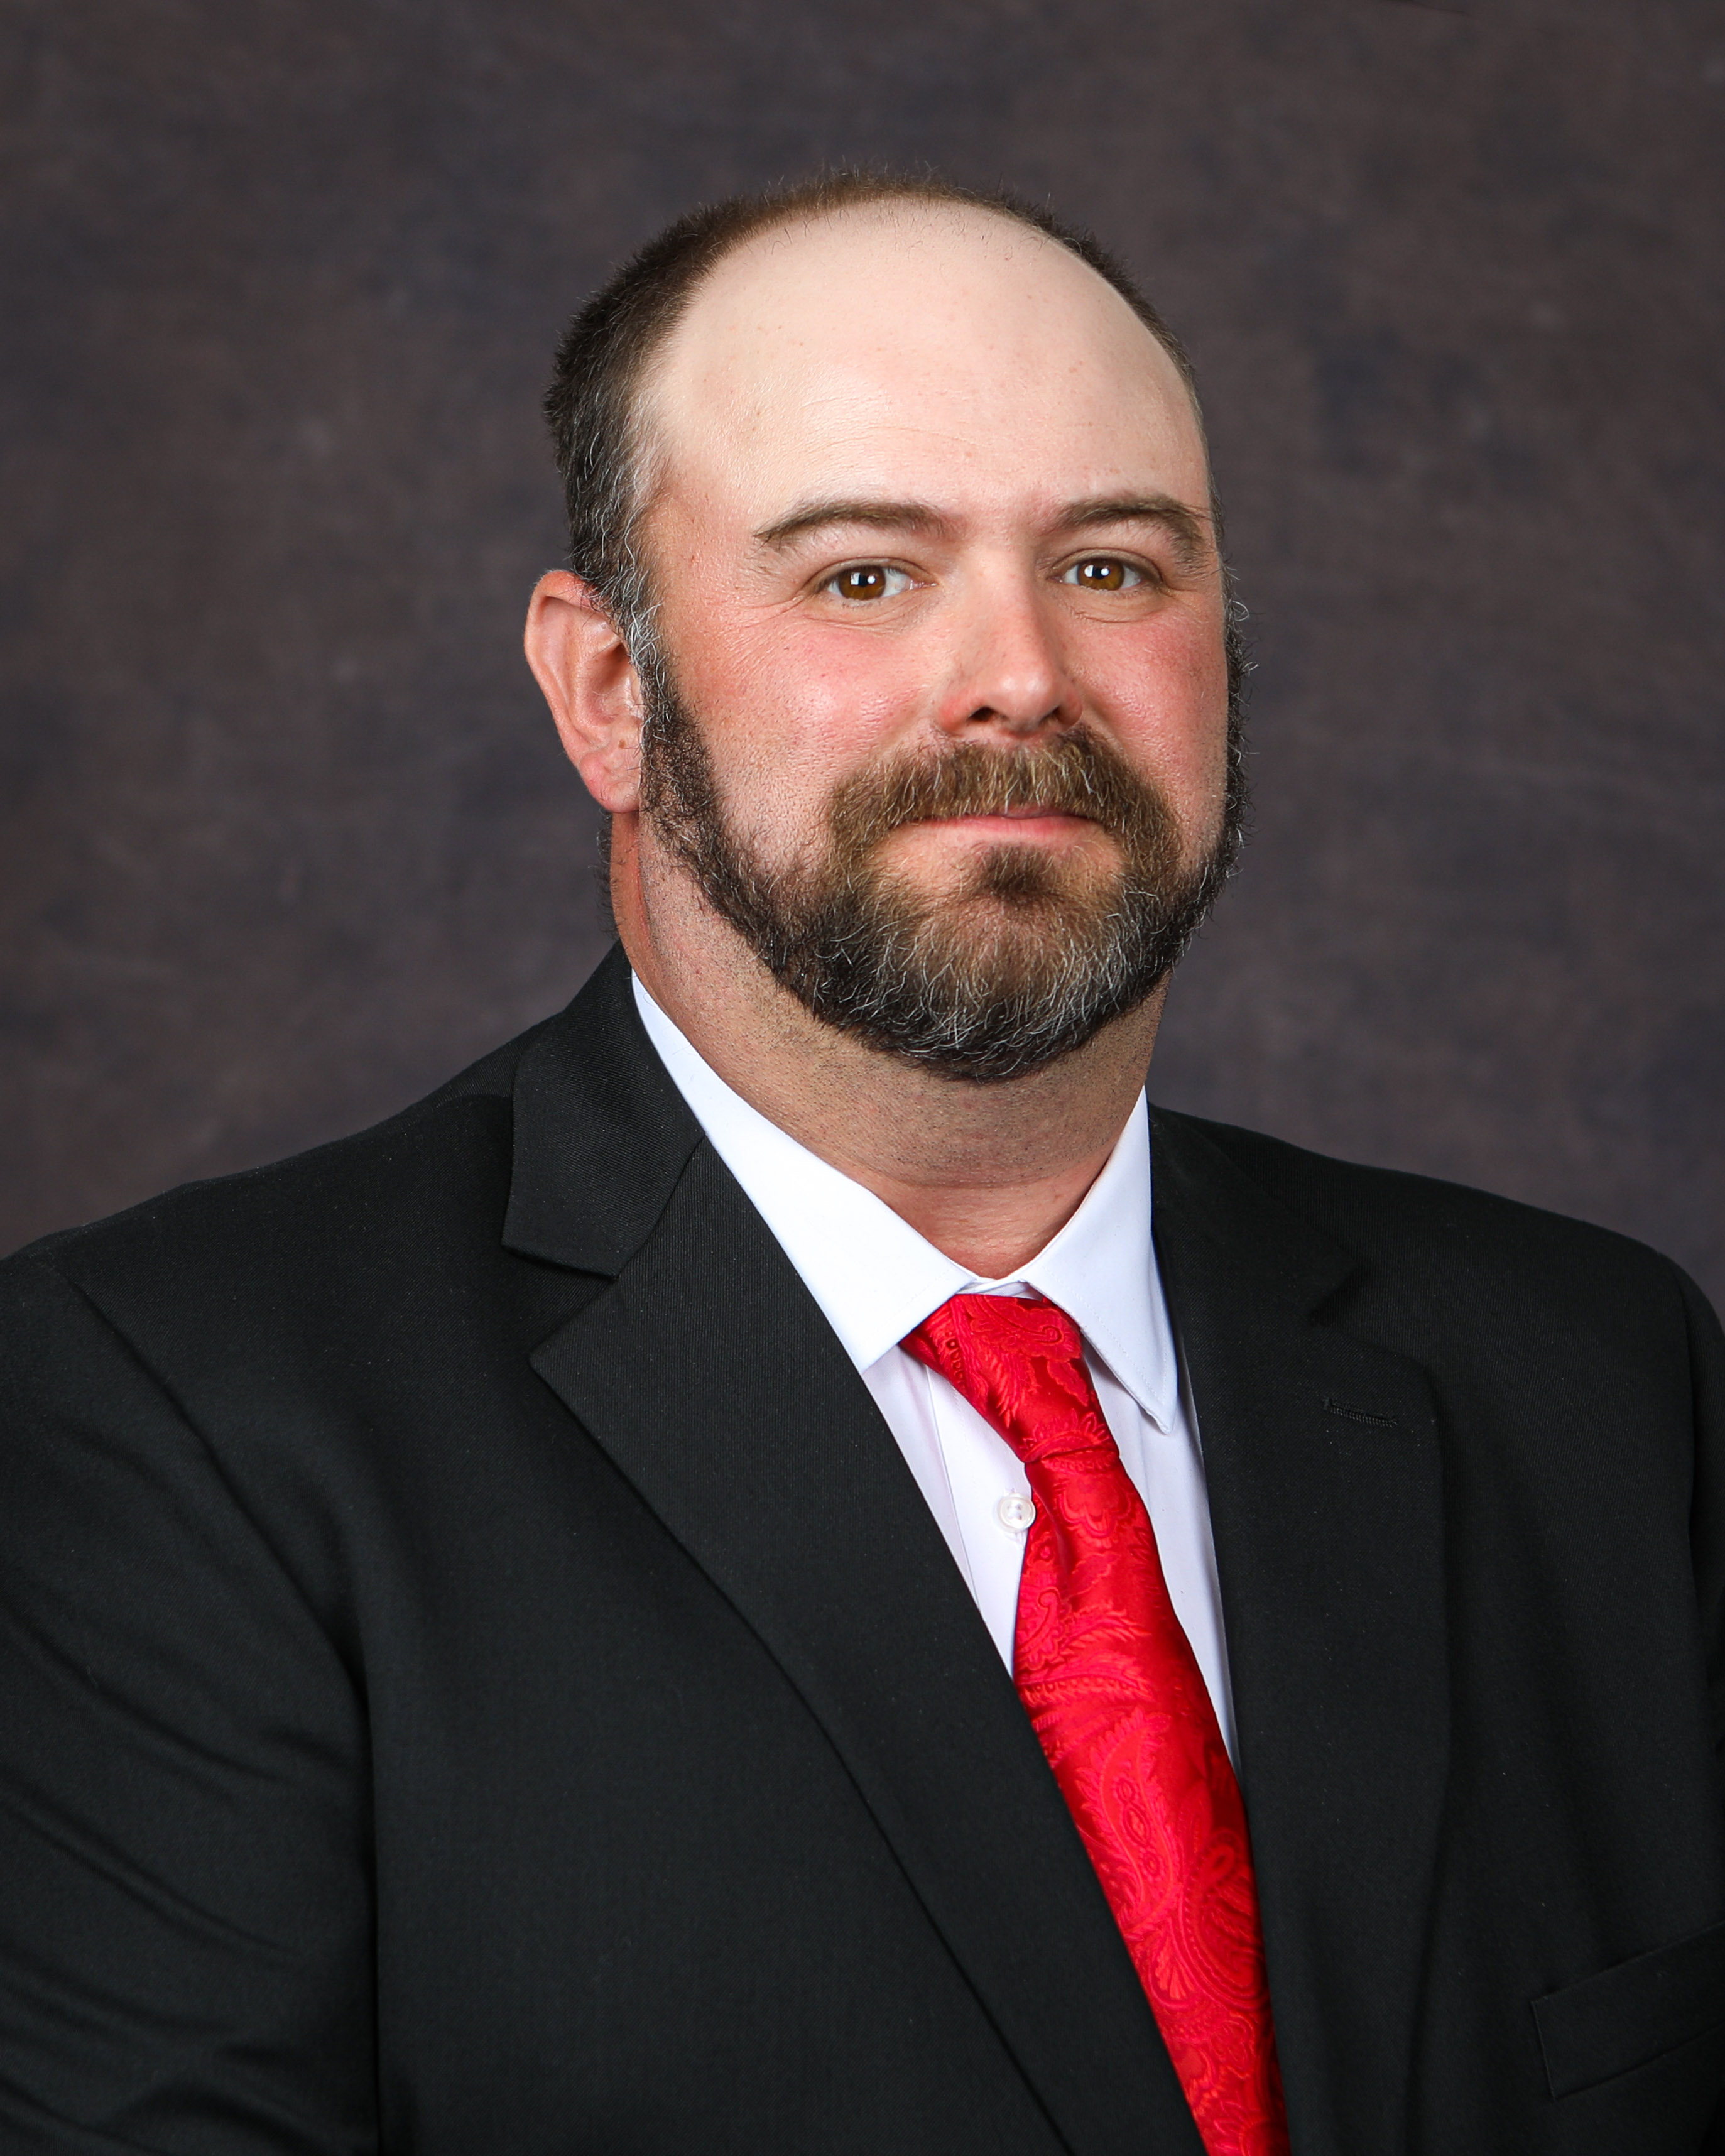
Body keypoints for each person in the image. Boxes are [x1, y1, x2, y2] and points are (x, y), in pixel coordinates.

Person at [1, 170, 1721, 2156]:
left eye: (1109, 567)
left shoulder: (1595, 1384)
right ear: (608, 691)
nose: (1017, 676)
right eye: (862, 577)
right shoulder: (180, 1418)